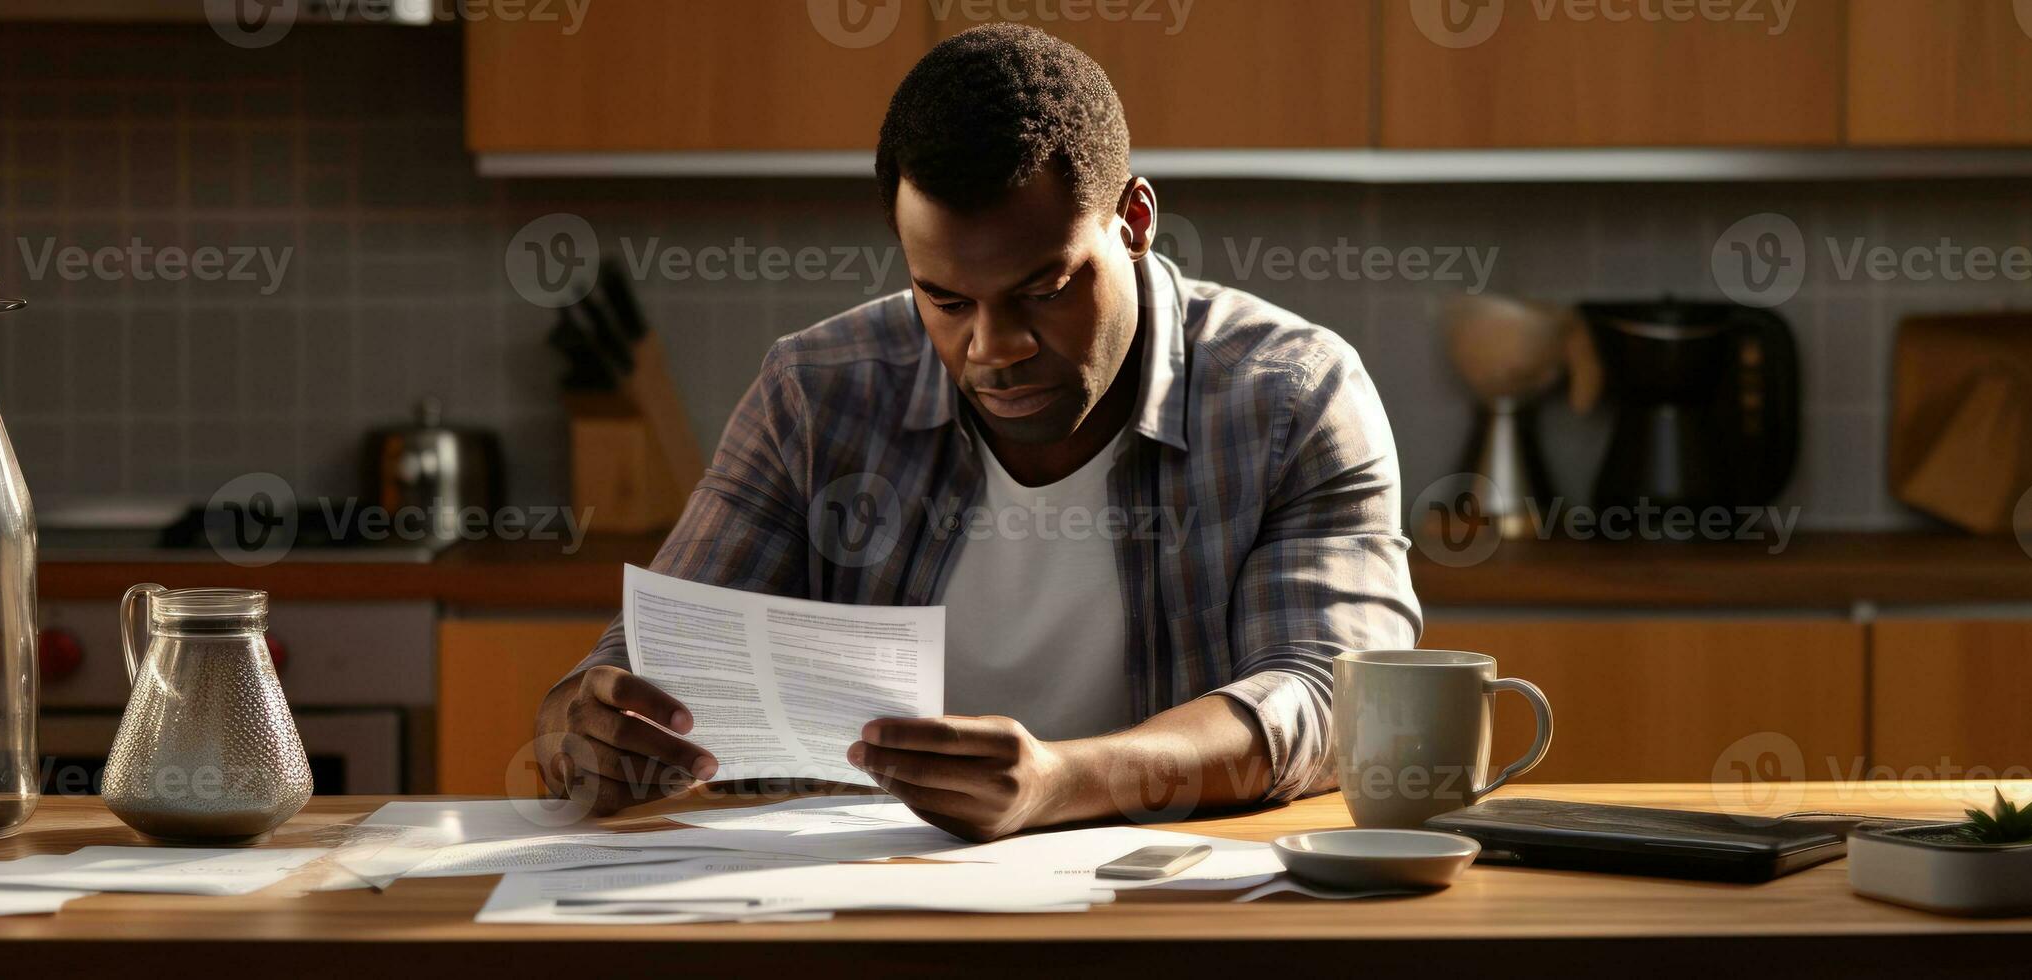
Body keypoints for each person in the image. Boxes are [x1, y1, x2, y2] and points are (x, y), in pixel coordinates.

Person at [533, 23, 1420, 841]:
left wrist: (1059, 783)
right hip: (860, 901)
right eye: (945, 300)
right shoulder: (816, 392)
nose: (994, 349)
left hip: (1166, 902)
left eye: (1044, 290)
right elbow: (648, 667)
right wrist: (582, 724)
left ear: (1135, 222)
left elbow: (1332, 700)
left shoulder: (1290, 396)